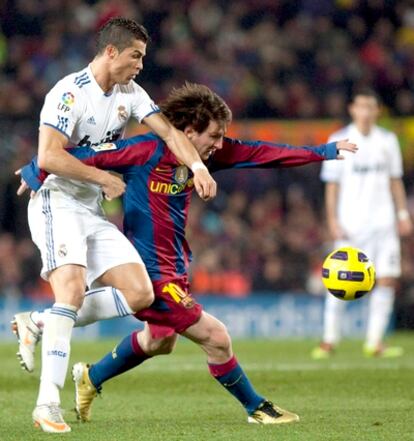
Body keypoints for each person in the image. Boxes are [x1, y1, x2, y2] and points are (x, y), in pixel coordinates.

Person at [21, 83, 357, 427]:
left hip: (174, 265)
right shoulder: (144, 150)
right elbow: (86, 156)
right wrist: (36, 170)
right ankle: (256, 407)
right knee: (216, 337)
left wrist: (323, 152)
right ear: (189, 131)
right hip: (145, 270)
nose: (219, 144)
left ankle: (89, 375)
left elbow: (262, 153)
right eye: (213, 135)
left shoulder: (205, 159)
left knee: (160, 340)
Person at [12, 18, 216, 434]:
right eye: (135, 56)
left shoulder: (130, 93)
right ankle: (47, 404)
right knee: (70, 289)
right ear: (111, 52)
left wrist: (196, 165)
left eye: (143, 57)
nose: (141, 65)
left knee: (141, 294)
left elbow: (169, 133)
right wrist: (103, 179)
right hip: (57, 202)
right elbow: (49, 157)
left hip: (90, 209)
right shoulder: (68, 94)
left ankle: (37, 322)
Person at [311, 89, 412, 360]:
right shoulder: (339, 139)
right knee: (339, 278)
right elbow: (331, 185)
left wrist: (403, 215)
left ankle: (374, 341)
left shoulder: (388, 141)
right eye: (361, 106)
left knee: (388, 278)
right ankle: (329, 340)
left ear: (377, 111)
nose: (366, 112)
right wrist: (332, 220)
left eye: (371, 107)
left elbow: (395, 180)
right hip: (351, 224)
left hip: (384, 222)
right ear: (352, 109)